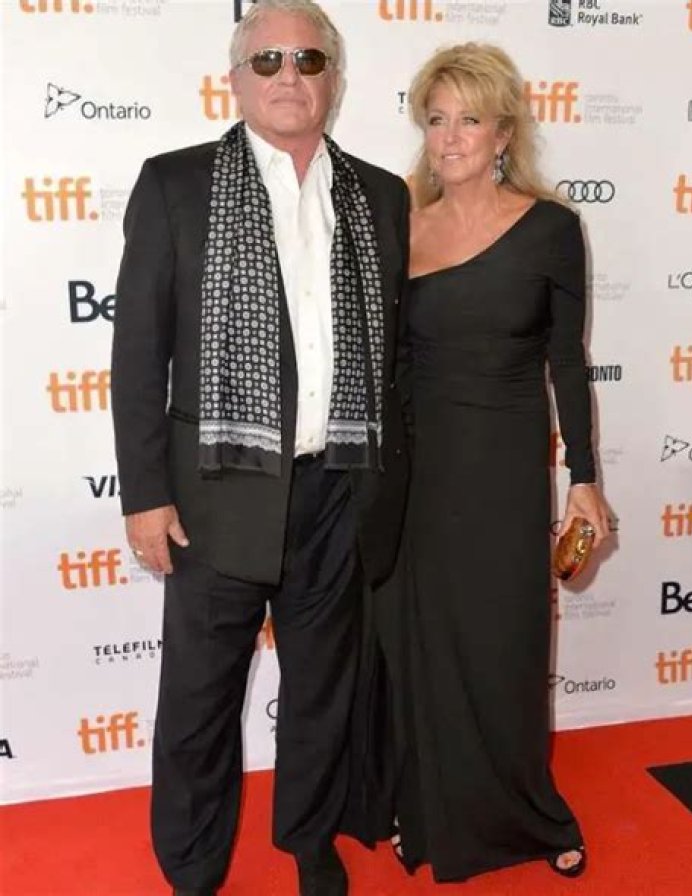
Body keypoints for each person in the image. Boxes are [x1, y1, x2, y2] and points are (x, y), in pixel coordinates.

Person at [110, 2, 410, 894]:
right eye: (268, 59)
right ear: (235, 80)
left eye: (309, 60)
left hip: (339, 489)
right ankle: (193, 869)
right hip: (215, 492)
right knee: (199, 700)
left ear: (334, 80)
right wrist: (145, 494)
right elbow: (138, 354)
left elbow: (393, 359)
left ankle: (309, 843)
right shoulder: (176, 184)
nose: (289, 75)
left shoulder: (381, 196)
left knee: (322, 690)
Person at [381, 42, 611, 883]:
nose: (449, 138)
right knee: (423, 645)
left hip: (505, 467)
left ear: (504, 132)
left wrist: (584, 478)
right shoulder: (401, 224)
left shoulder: (550, 228)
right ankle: (425, 808)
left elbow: (568, 361)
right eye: (436, 119)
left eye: (469, 120)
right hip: (415, 470)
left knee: (503, 645)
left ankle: (527, 812)